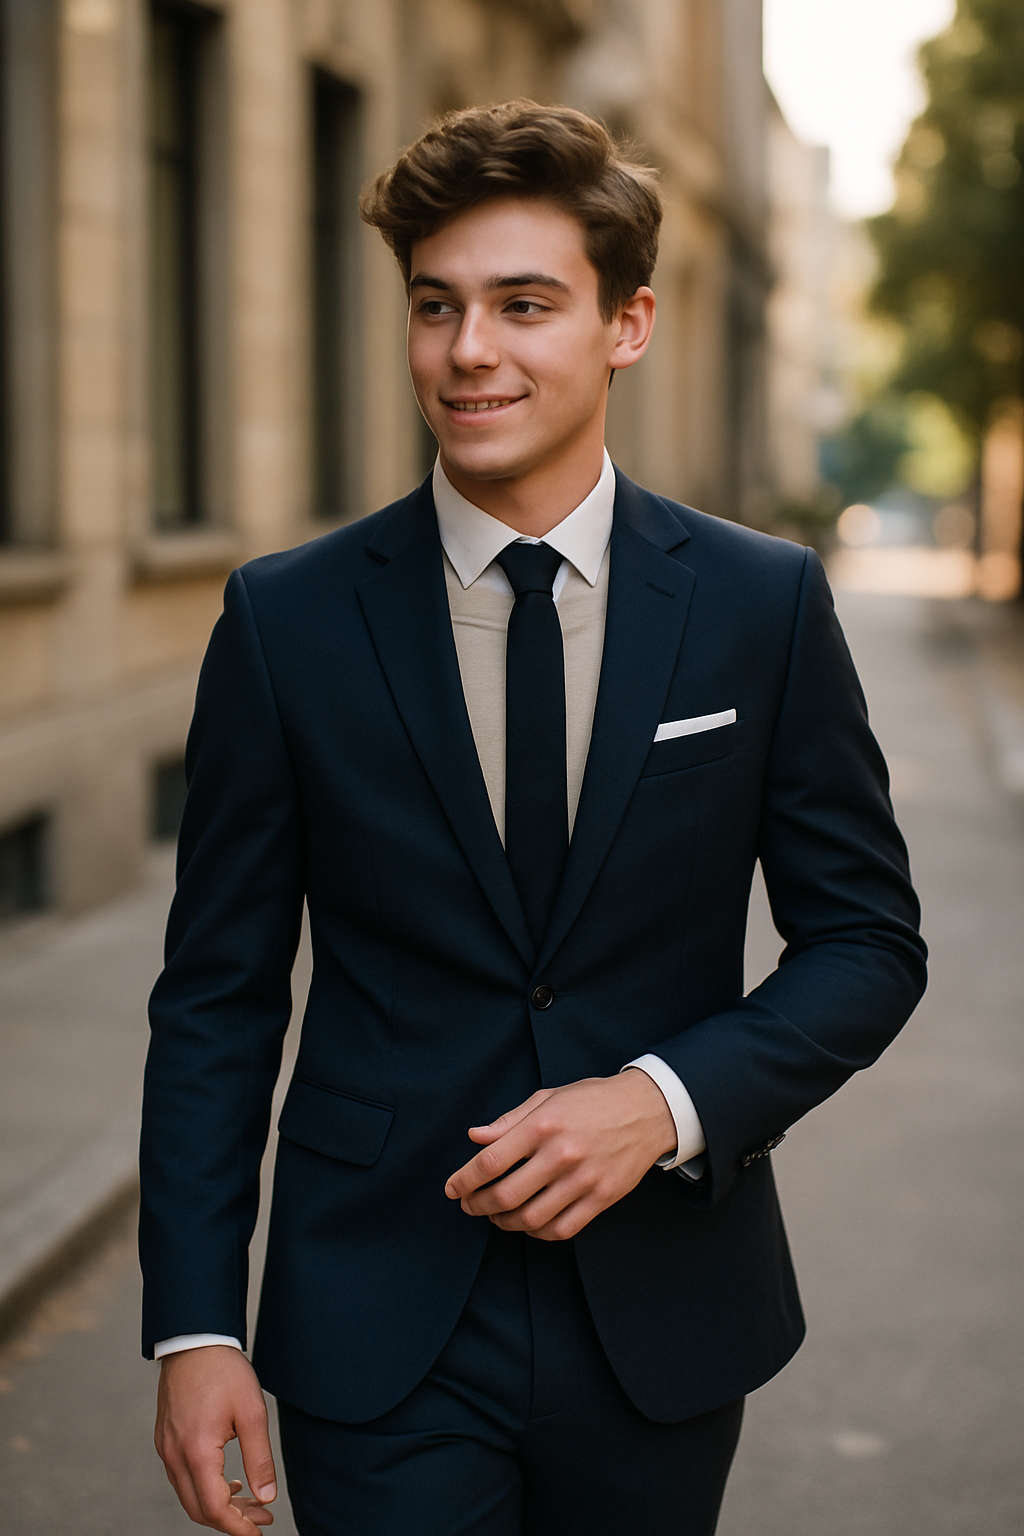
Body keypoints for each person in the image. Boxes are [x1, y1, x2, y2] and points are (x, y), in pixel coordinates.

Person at [140, 101, 926, 1536]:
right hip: (375, 1314)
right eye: (435, 305)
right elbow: (217, 998)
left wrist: (663, 1102)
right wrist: (195, 1326)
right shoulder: (285, 620)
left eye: (523, 304)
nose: (469, 350)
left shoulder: (760, 605)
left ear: (626, 325)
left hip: (662, 1312)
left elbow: (868, 943)